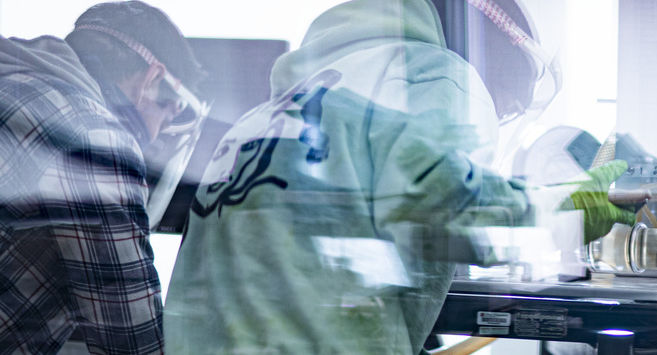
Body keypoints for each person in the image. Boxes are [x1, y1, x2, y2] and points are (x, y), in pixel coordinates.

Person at [163, 0, 633, 353]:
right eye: (509, 97)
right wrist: (563, 211)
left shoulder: (273, 111)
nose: (503, 109)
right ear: (497, 56)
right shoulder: (439, 77)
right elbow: (446, 209)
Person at [0, 1, 205, 354]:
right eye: (175, 108)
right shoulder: (91, 136)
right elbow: (129, 336)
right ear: (153, 79)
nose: (161, 132)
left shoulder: (15, 88)